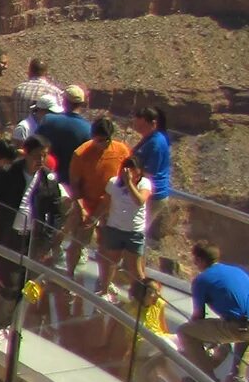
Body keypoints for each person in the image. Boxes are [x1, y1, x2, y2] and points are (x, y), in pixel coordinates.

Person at [0, 135, 65, 347]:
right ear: (26, 153)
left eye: (44, 156)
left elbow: (56, 211)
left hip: (33, 240)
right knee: (8, 283)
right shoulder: (8, 174)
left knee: (25, 286)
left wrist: (50, 239)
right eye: (37, 155)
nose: (41, 160)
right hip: (9, 236)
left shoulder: (48, 179)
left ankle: (12, 325)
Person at [179, 241, 249, 382]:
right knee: (246, 334)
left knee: (185, 332)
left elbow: (198, 317)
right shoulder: (237, 271)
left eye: (194, 259)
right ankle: (238, 378)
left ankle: (206, 381)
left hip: (241, 327)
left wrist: (203, 341)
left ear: (200, 260)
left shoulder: (202, 280)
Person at [65, 115, 130, 279]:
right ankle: (69, 275)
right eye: (98, 140)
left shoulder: (121, 151)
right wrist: (81, 208)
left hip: (111, 206)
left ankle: (105, 284)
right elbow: (75, 184)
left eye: (106, 140)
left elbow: (126, 177)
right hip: (87, 205)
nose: (102, 144)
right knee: (78, 241)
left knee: (108, 247)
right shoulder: (80, 154)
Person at [96, 156, 152, 300]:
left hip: (134, 231)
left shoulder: (145, 184)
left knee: (135, 268)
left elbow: (139, 201)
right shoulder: (113, 183)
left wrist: (129, 183)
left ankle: (141, 297)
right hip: (115, 228)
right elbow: (106, 203)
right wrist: (96, 218)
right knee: (111, 262)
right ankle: (104, 291)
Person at [131, 105, 175, 260]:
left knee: (137, 232)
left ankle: (134, 266)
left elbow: (149, 172)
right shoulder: (150, 138)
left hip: (151, 194)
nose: (136, 127)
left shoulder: (156, 143)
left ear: (153, 123)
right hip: (146, 191)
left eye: (140, 124)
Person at [37, 85, 93, 182]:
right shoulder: (88, 129)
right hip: (71, 181)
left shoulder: (48, 120)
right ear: (81, 104)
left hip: (45, 176)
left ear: (64, 101)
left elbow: (35, 144)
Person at [9, 58, 64, 125]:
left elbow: (12, 115)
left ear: (30, 71)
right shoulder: (54, 91)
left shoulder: (18, 89)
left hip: (21, 132)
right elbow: (61, 116)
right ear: (46, 73)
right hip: (43, 133)